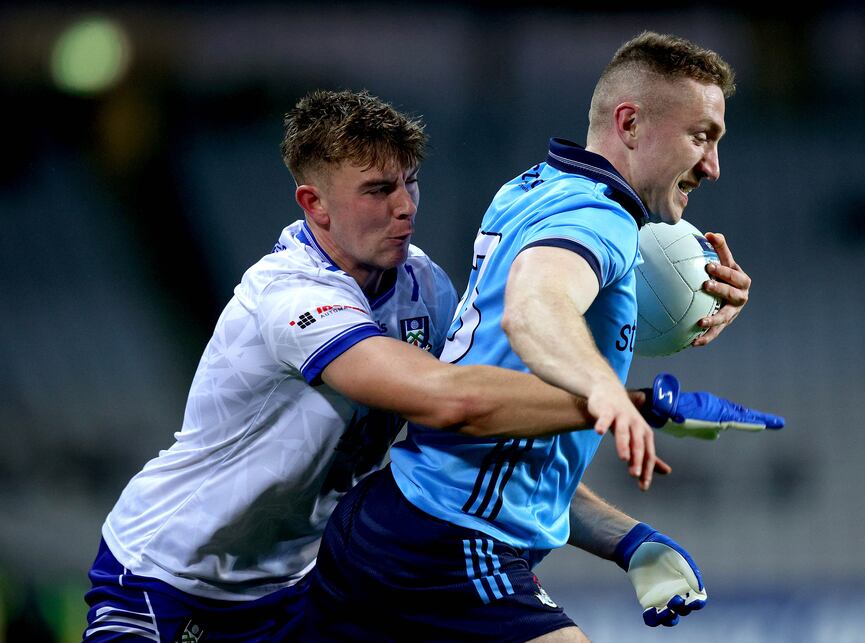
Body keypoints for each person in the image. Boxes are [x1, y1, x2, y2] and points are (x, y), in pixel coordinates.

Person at [82, 88, 669, 642]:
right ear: (314, 204)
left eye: (411, 182)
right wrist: (618, 401)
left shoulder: (425, 290)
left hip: (296, 590)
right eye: (378, 190)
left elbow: (481, 445)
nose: (405, 207)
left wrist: (627, 540)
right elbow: (453, 401)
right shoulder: (289, 294)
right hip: (165, 577)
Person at [304, 31, 784, 642]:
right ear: (630, 123)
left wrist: (629, 541)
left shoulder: (536, 186)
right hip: (445, 545)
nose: (713, 166)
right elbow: (535, 308)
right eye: (701, 137)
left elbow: (511, 446)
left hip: (405, 521)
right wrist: (606, 393)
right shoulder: (600, 218)